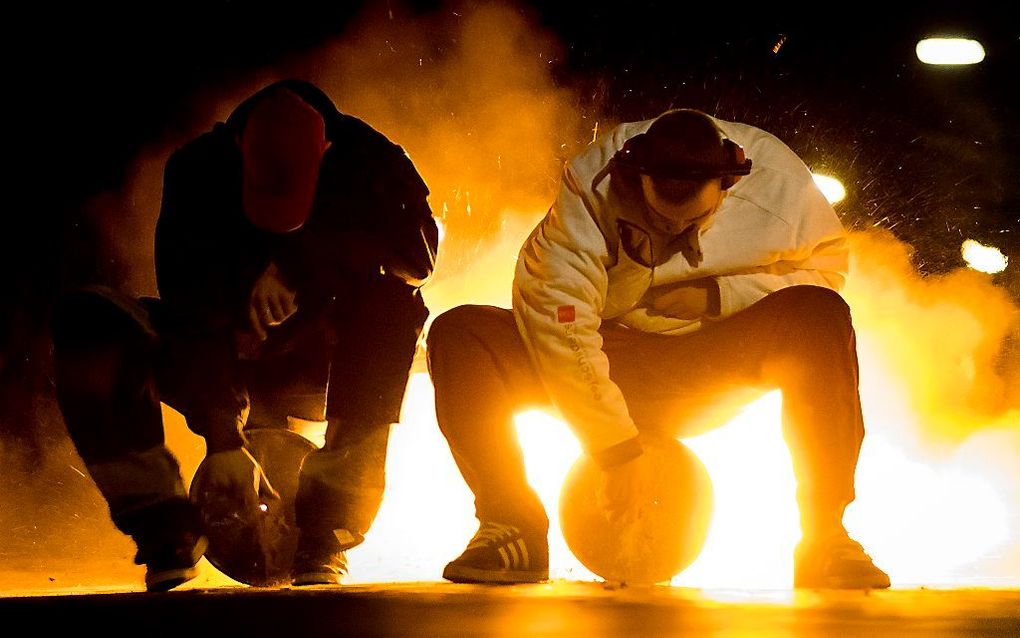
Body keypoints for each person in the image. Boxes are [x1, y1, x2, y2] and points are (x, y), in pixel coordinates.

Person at [426, 108, 891, 589]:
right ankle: (511, 524)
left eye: (693, 220)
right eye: (658, 218)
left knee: (820, 316)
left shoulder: (779, 187)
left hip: (705, 363)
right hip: (608, 353)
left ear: (729, 185)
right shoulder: (591, 187)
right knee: (460, 334)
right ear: (635, 174)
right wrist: (615, 449)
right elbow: (557, 317)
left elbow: (825, 272)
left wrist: (718, 296)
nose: (673, 233)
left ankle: (825, 536)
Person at [51, 80, 438, 591]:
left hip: (324, 364)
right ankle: (165, 527)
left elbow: (418, 261)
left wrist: (299, 267)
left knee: (392, 306)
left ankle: (327, 529)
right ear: (238, 151)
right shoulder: (195, 171)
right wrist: (223, 437)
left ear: (327, 152)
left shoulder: (371, 160)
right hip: (223, 356)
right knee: (90, 318)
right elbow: (188, 311)